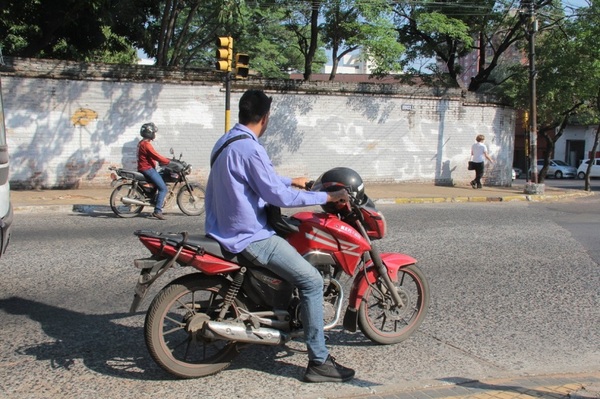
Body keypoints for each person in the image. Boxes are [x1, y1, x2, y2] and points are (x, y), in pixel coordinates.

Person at [205, 89, 355, 383]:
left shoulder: (226, 141)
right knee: (311, 280)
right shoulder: (251, 148)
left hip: (222, 228)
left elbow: (258, 179)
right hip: (250, 236)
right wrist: (327, 195)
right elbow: (275, 194)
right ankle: (319, 362)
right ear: (265, 117)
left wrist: (292, 180)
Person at [137, 122, 170, 220]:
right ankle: (157, 211)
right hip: (147, 169)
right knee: (163, 188)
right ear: (149, 133)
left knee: (160, 177)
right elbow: (155, 155)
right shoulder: (146, 145)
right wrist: (168, 161)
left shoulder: (141, 143)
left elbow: (153, 156)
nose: (154, 134)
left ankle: (154, 198)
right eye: (153, 132)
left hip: (145, 167)